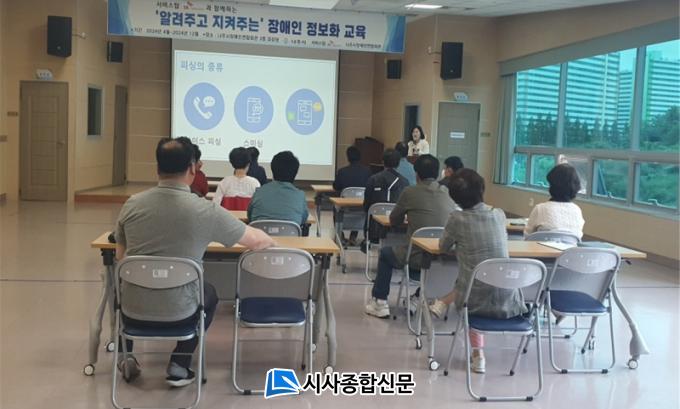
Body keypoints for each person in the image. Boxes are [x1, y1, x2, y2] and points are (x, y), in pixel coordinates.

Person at [115, 137, 275, 386]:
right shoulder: (205, 210)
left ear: (157, 168)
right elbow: (255, 241)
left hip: (132, 310)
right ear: (192, 168)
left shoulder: (132, 205)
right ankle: (180, 362)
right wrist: (273, 240)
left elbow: (120, 257)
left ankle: (126, 356)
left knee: (120, 286)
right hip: (182, 311)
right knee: (209, 293)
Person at [428, 169, 526, 374]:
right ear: (482, 189)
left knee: (472, 280)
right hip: (509, 297)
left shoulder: (457, 218)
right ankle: (443, 303)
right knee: (478, 276)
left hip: (473, 300)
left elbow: (443, 247)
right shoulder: (498, 214)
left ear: (454, 197)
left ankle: (478, 354)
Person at [365, 154, 458, 318]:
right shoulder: (448, 193)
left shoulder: (410, 192)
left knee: (385, 253)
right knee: (429, 268)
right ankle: (417, 297)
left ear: (417, 174)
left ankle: (380, 302)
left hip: (416, 257)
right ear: (438, 173)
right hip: (442, 257)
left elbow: (394, 220)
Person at [362, 149, 410, 249]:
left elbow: (366, 206)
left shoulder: (373, 179)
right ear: (398, 164)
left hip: (374, 229)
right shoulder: (405, 182)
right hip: (398, 229)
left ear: (383, 162)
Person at [524, 163, 585, 239]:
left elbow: (527, 236)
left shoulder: (540, 209)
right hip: (570, 247)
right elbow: (578, 236)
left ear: (552, 185)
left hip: (541, 246)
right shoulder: (577, 210)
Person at [248, 151, 309, 226]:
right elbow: (303, 219)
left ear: (273, 169)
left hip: (260, 233)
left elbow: (250, 216)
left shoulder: (259, 192)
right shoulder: (300, 196)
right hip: (290, 233)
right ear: (295, 173)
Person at [333, 146, 372, 244]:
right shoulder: (368, 172)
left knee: (335, 207)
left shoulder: (342, 172)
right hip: (362, 207)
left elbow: (336, 187)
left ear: (348, 157)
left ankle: (340, 236)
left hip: (345, 208)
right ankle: (353, 237)